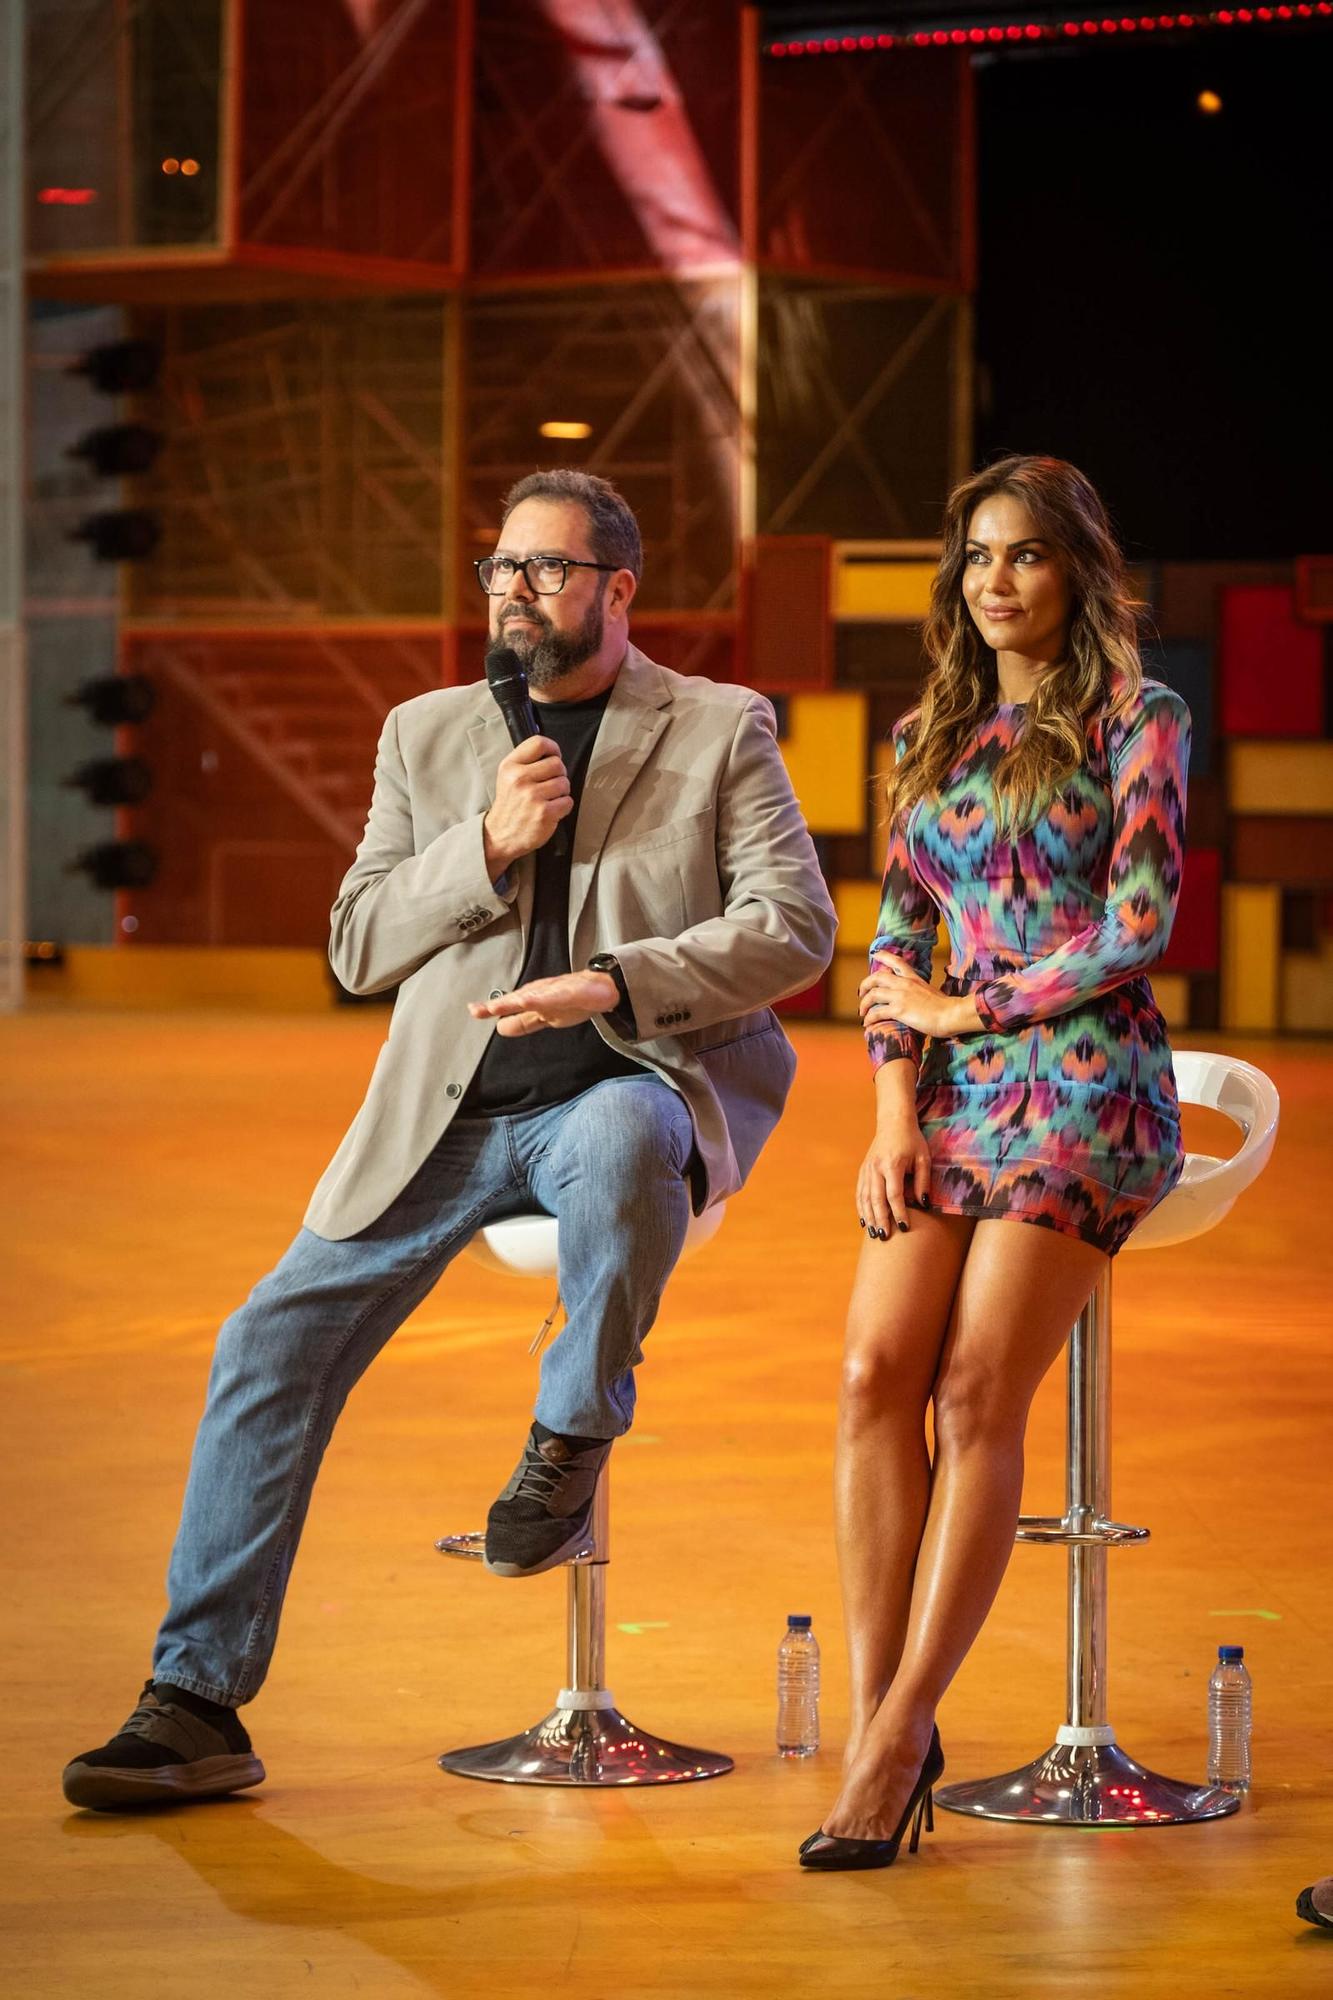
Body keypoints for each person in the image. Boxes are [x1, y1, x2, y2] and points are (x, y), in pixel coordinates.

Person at [63, 468, 835, 1811]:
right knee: (265, 1343)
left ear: (616, 587)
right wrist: (482, 843)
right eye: (500, 569)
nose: (515, 592)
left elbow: (794, 931)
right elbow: (357, 948)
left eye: (544, 568)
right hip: (443, 1115)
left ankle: (567, 1434)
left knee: (617, 1138)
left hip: (621, 1074)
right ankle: (194, 1702)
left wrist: (613, 981)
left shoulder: (716, 729)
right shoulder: (426, 736)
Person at [799, 455, 1191, 1871]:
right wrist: (892, 1110)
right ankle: (867, 1718)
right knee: (867, 1378)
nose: (994, 579)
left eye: (1023, 554)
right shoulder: (926, 735)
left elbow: (1136, 925)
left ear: (1077, 569)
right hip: (948, 1104)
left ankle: (901, 1731)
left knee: (971, 1390)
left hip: (1088, 1084)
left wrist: (981, 1007)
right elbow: (892, 942)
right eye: (974, 556)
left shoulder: (1140, 720)